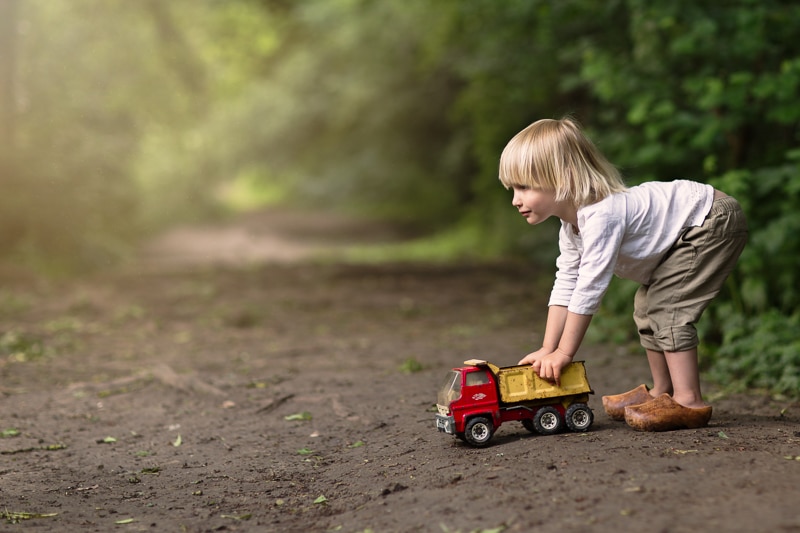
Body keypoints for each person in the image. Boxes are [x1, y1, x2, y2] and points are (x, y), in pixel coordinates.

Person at [499, 117, 747, 431]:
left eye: (524, 187)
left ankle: (688, 400)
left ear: (563, 177)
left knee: (667, 309)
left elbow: (589, 289)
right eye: (513, 188)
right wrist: (548, 348)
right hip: (692, 227)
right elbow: (566, 282)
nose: (515, 199)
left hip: (710, 220)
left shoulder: (602, 215)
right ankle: (662, 391)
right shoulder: (572, 227)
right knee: (646, 308)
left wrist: (565, 352)